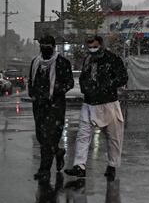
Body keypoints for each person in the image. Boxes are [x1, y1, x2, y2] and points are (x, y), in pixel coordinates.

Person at [65, 35, 127, 180]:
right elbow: (83, 77)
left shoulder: (112, 59)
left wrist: (106, 86)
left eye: (95, 46)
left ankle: (112, 165)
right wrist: (86, 88)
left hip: (108, 102)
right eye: (90, 47)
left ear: (101, 45)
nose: (92, 50)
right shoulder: (87, 60)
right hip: (89, 103)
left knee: (114, 137)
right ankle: (79, 166)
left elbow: (123, 77)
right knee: (83, 134)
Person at [28, 35, 74, 179]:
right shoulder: (35, 62)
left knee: (48, 138)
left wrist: (55, 91)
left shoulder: (62, 62)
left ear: (53, 47)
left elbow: (70, 82)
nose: (44, 47)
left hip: (55, 106)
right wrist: (32, 94)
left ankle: (44, 170)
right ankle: (58, 152)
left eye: (47, 45)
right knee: (41, 137)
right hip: (39, 105)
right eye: (42, 44)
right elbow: (31, 81)